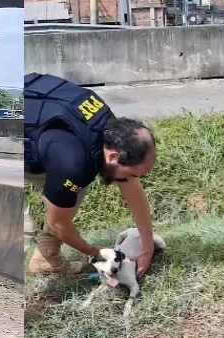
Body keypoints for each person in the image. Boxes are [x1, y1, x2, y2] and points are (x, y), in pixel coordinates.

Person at [23, 72, 158, 276]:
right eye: (133, 173)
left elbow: (132, 191)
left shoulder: (109, 127)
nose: (133, 180)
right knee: (69, 192)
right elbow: (60, 223)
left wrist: (147, 249)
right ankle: (45, 259)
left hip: (39, 120)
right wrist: (93, 252)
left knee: (73, 186)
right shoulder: (72, 165)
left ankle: (43, 252)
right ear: (114, 156)